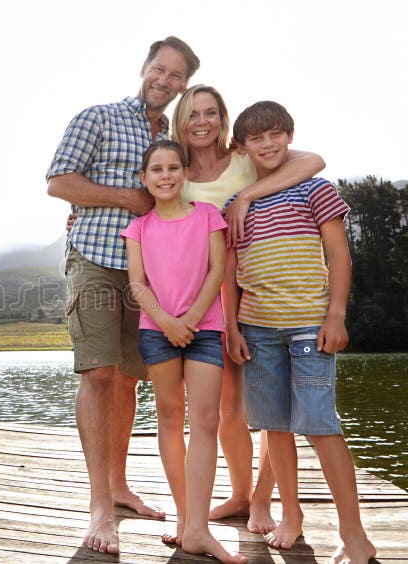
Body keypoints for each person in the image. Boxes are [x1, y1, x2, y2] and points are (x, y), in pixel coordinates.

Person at [45, 36, 199, 554]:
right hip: (93, 258)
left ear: (183, 86)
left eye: (176, 76)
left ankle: (118, 484)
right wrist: (124, 199)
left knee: (130, 379)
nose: (165, 80)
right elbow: (59, 181)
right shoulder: (99, 116)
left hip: (150, 272)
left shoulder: (177, 135)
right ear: (144, 68)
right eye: (160, 69)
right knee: (99, 373)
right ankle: (99, 507)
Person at [224, 101, 377, 563]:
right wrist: (231, 328)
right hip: (258, 330)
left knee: (321, 426)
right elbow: (231, 272)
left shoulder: (315, 190)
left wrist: (336, 313)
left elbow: (339, 255)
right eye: (256, 138)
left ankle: (354, 535)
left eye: (275, 134)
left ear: (290, 135)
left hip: (310, 324)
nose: (267, 144)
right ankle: (291, 516)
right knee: (274, 427)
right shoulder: (235, 206)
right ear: (242, 147)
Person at [170, 84, 326, 532]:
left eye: (212, 112)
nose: (202, 121)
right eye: (193, 114)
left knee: (264, 405)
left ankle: (260, 500)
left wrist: (248, 195)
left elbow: (313, 162)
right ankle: (240, 495)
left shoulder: (244, 160)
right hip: (202, 298)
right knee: (226, 410)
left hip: (256, 294)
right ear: (182, 121)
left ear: (223, 120)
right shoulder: (178, 172)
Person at [122, 140, 247, 564]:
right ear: (144, 178)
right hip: (156, 331)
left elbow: (217, 270)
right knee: (170, 416)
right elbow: (138, 284)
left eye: (173, 167)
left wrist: (190, 319)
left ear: (185, 173)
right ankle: (184, 520)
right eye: (156, 169)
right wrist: (167, 322)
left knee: (206, 419)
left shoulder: (208, 216)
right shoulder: (139, 227)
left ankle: (198, 528)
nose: (165, 175)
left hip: (206, 329)